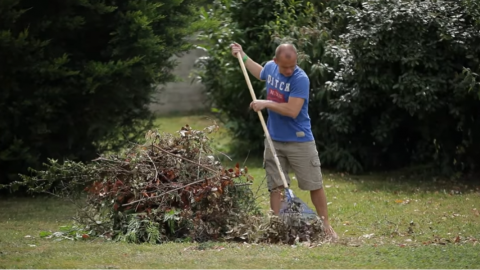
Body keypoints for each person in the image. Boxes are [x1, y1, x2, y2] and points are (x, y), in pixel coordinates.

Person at [230, 42, 338, 240]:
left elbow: (292, 110)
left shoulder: (300, 79)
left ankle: (325, 224)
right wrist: (243, 56)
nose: (288, 70)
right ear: (275, 61)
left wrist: (266, 103)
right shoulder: (271, 68)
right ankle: (278, 226)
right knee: (276, 185)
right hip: (274, 138)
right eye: (284, 67)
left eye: (292, 66)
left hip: (299, 140)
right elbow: (260, 72)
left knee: (314, 183)